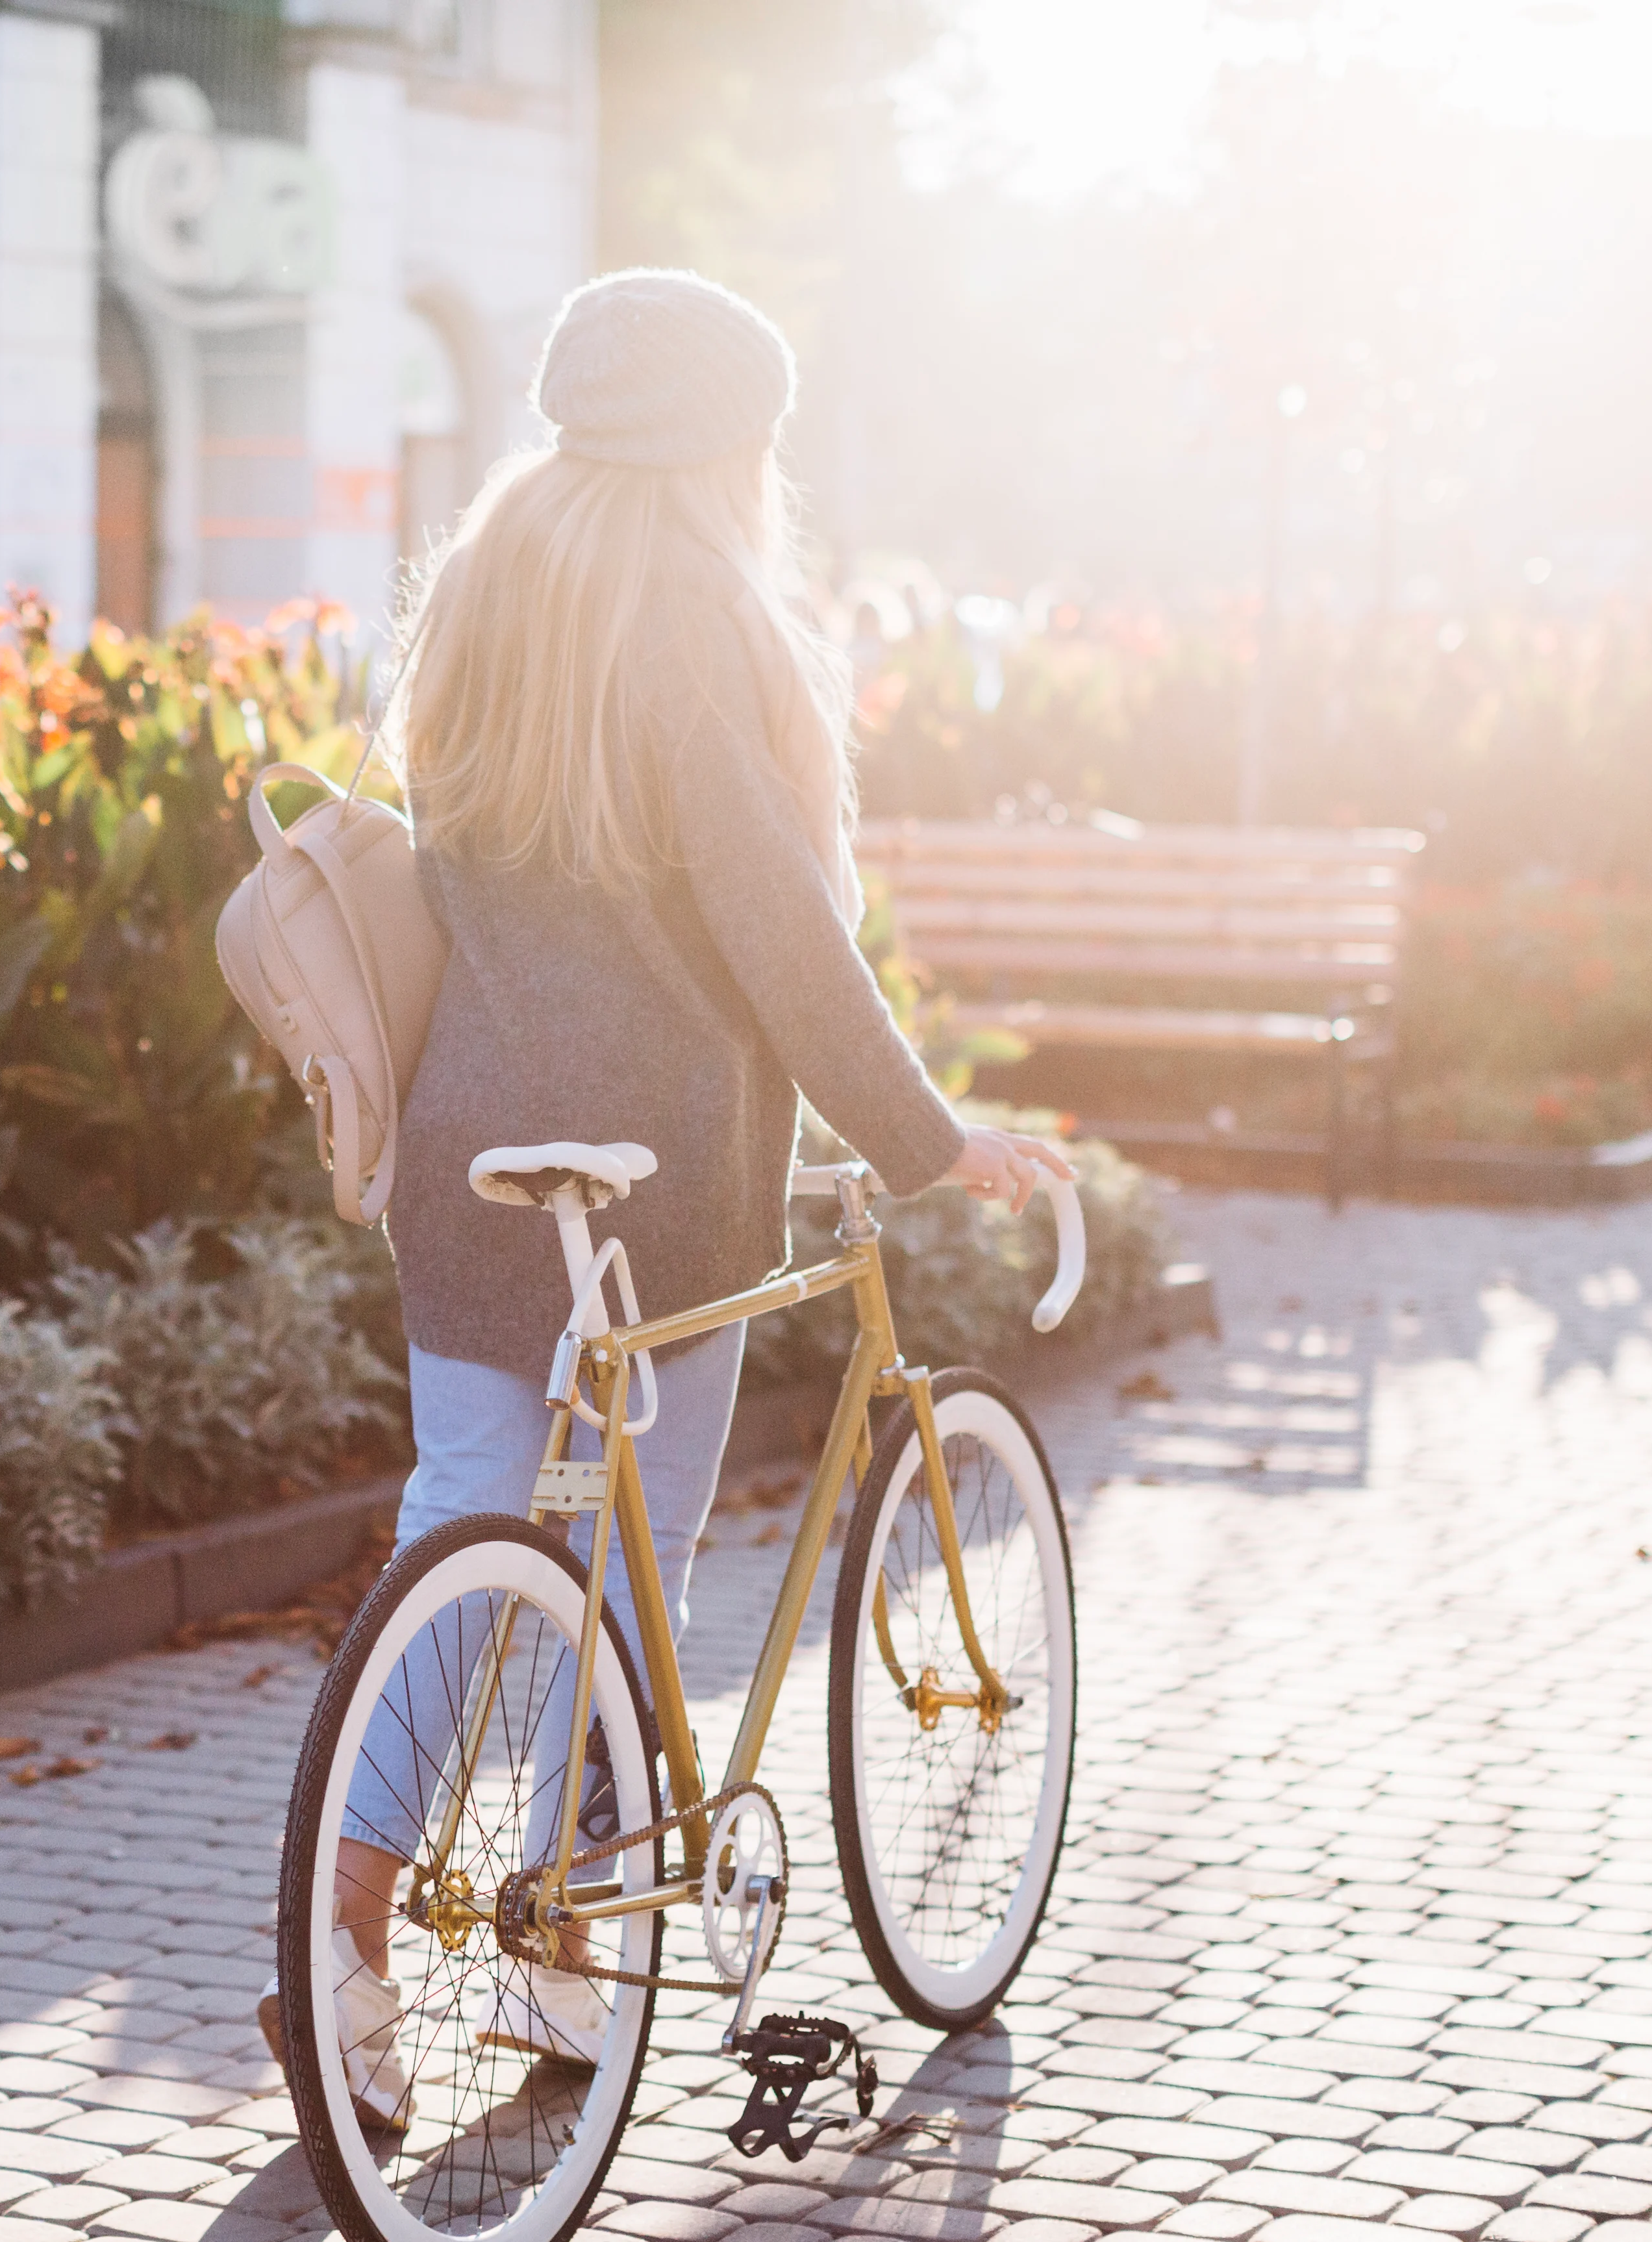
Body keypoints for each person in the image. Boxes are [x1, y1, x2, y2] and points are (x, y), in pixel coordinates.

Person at [258, 268, 1074, 2104]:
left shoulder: (486, 575)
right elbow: (779, 929)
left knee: (463, 1529)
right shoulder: (700, 607)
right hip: (673, 1164)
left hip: (473, 1150)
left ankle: (347, 1933)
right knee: (637, 1564)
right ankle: (570, 1955)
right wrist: (928, 1139)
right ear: (730, 444)